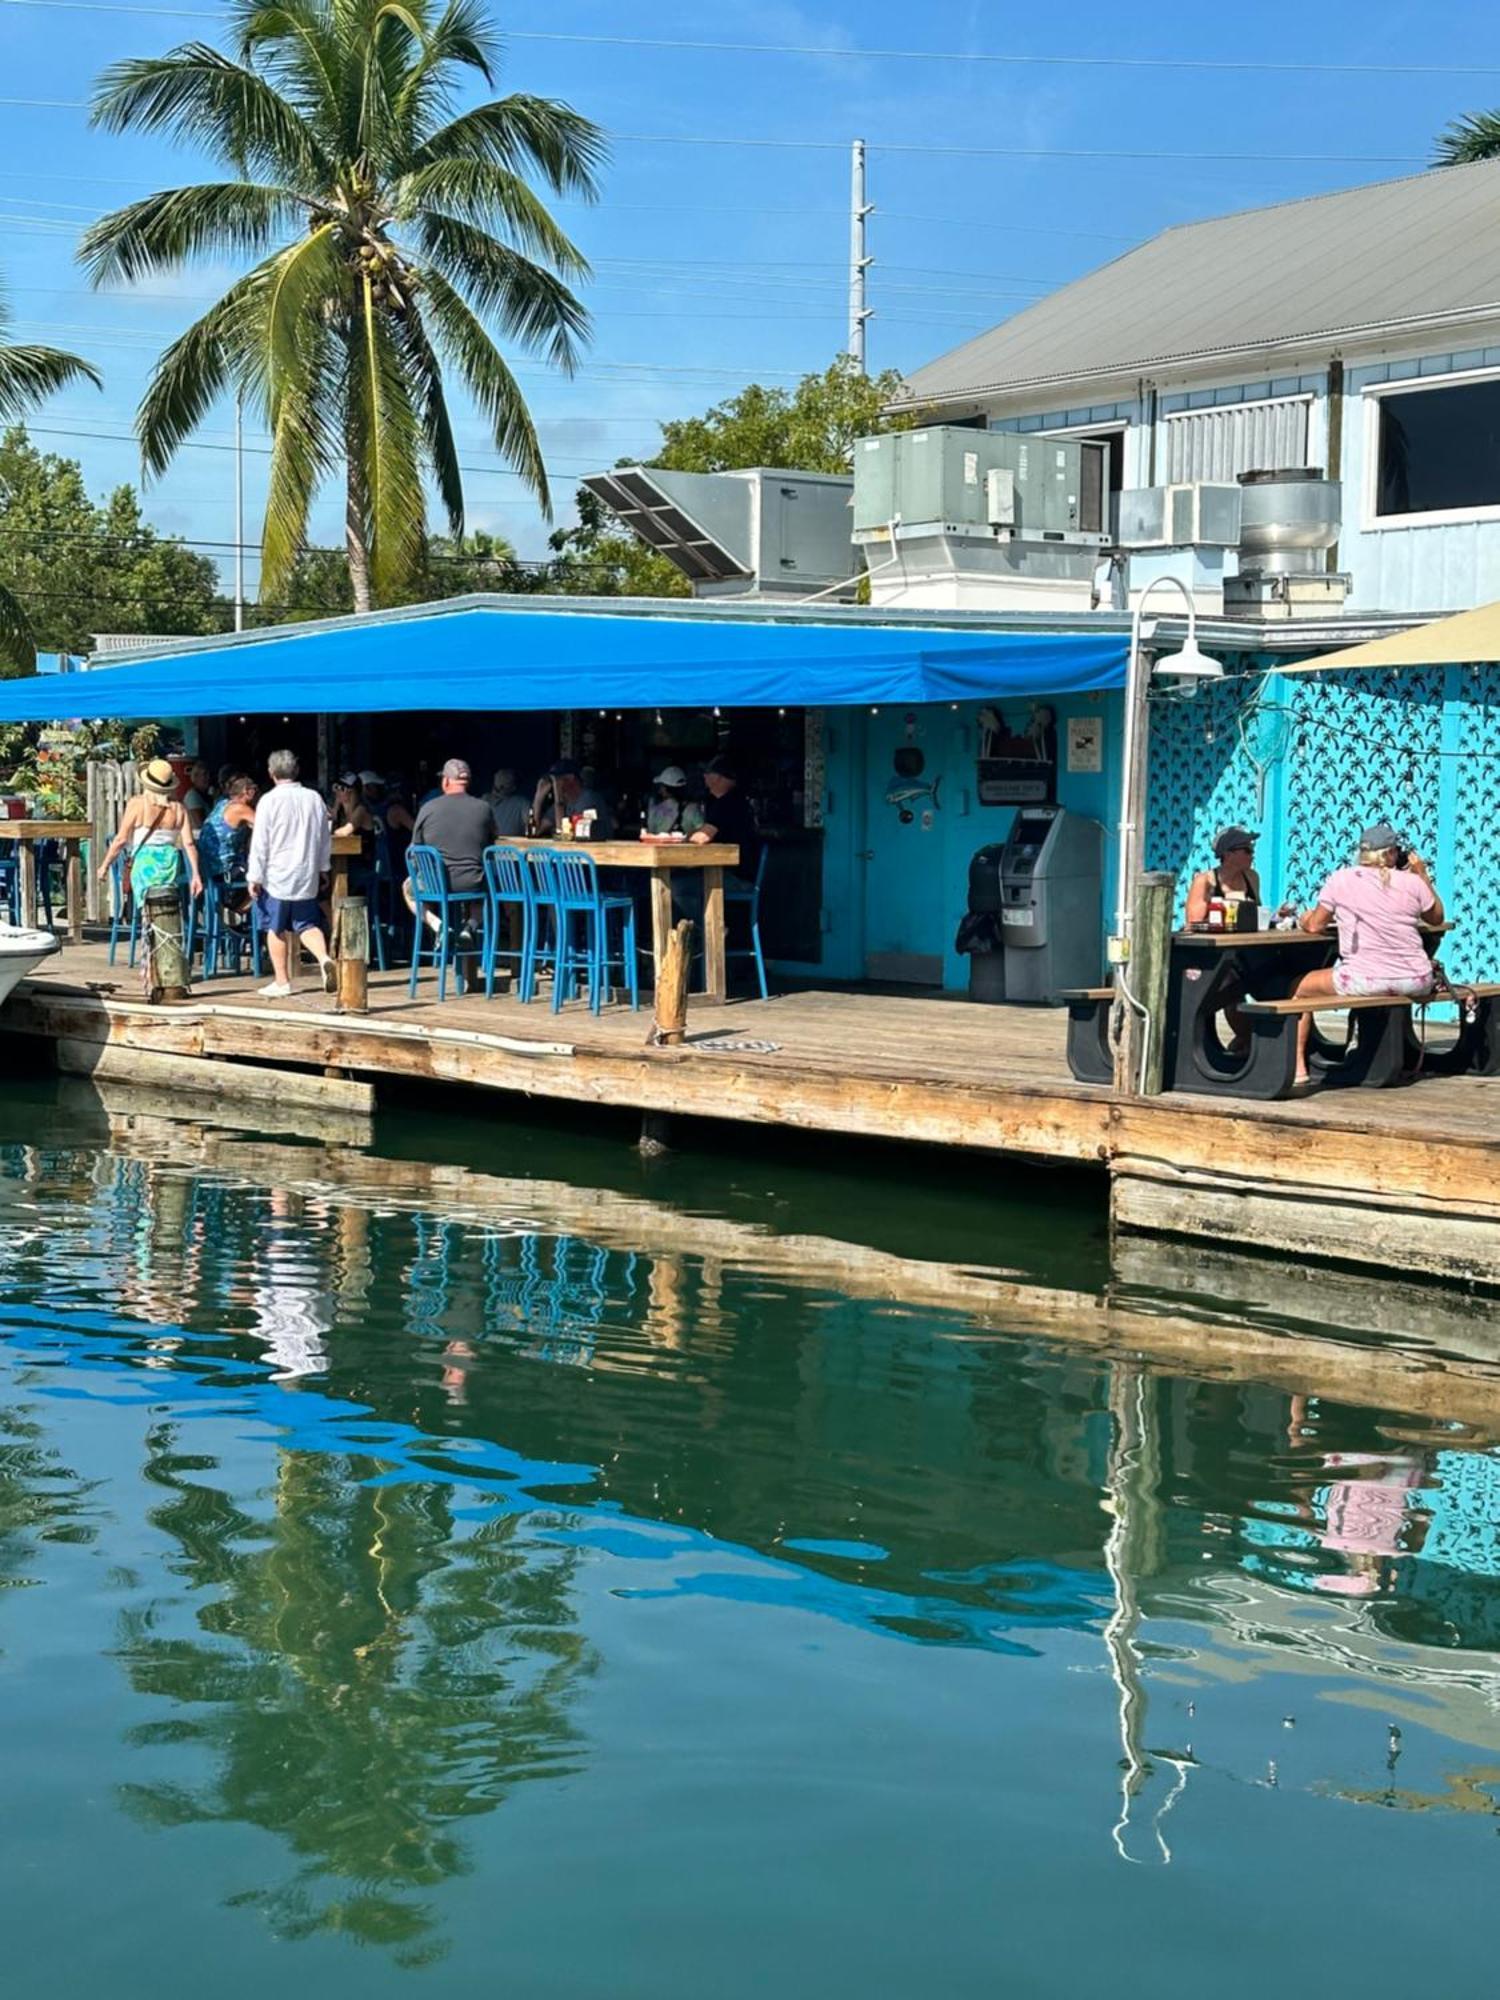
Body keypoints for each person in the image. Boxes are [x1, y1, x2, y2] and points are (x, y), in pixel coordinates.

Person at [1291, 822, 1444, 1083]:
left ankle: (1298, 1069)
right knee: (1380, 985)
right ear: (1392, 853)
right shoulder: (1412, 882)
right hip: (1417, 979)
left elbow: (1315, 925)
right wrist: (1422, 874)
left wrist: (1304, 918)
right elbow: (1437, 918)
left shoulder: (1341, 879)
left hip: (1364, 980)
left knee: (1297, 988)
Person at [247, 748, 335, 1001]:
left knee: (275, 928)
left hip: (276, 875)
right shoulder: (314, 798)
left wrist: (255, 876)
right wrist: (323, 867)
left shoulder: (269, 801)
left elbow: (260, 842)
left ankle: (282, 980)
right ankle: (324, 958)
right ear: (296, 771)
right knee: (307, 924)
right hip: (305, 871)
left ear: (271, 773)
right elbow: (323, 837)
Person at [405, 757, 498, 937]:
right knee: (487, 892)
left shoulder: (428, 808)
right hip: (473, 882)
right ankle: (469, 927)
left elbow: (415, 849)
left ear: (446, 781)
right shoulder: (484, 808)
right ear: (467, 782)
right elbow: (493, 838)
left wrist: (418, 872)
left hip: (437, 883)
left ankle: (438, 925)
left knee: (408, 888)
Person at [97, 755, 204, 911]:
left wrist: (104, 866)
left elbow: (120, 839)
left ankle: (144, 919)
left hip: (144, 864)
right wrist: (196, 874)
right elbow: (189, 844)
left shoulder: (137, 804)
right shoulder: (179, 809)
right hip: (170, 864)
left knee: (142, 890)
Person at [691, 754, 761, 881]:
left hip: (736, 875)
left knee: (680, 885)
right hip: (735, 872)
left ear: (718, 777)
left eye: (707, 772)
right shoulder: (735, 799)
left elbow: (702, 837)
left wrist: (680, 840)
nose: (704, 776)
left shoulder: (728, 802)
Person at [198, 773, 257, 909]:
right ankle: (239, 910)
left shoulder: (222, 803)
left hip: (208, 868)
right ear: (248, 792)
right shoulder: (240, 808)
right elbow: (265, 829)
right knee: (264, 873)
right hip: (224, 870)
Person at [533, 757, 616, 838]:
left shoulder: (588, 799)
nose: (554, 784)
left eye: (557, 779)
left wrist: (558, 798)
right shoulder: (564, 801)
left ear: (570, 778)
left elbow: (565, 834)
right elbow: (535, 831)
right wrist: (538, 800)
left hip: (598, 850)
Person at [646, 765, 704, 837]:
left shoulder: (655, 809)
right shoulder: (693, 809)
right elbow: (703, 832)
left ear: (664, 788)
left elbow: (649, 833)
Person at [484, 767, 530, 839]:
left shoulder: (522, 803)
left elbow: (531, 827)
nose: (498, 791)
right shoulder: (484, 800)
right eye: (496, 788)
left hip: (512, 848)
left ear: (513, 787)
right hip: (488, 846)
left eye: (502, 787)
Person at [181, 759, 215, 831]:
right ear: (195, 777)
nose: (208, 778)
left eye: (209, 774)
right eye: (204, 774)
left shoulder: (206, 795)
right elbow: (199, 823)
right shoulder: (192, 796)